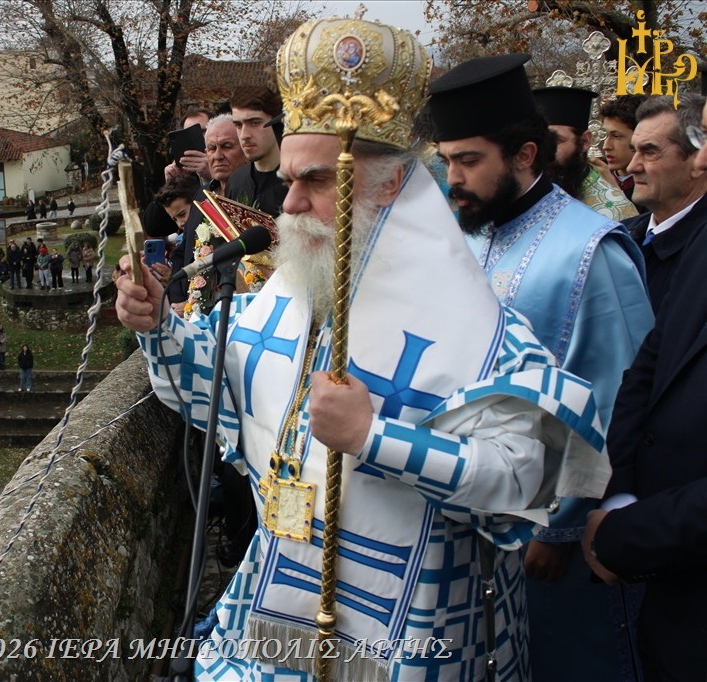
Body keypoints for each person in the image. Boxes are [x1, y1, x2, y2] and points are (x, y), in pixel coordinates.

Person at [117, 18, 609, 680]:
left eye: (315, 182)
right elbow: (226, 383)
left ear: (386, 186)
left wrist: (374, 438)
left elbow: (525, 477)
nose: (288, 205)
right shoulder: (298, 284)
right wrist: (160, 328)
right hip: (281, 603)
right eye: (288, 179)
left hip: (417, 635)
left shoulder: (475, 324)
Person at [429, 53, 655, 682]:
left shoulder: (591, 251)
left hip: (552, 537)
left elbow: (622, 402)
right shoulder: (465, 232)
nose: (453, 178)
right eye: (447, 159)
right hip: (470, 510)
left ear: (525, 155)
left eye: (469, 160)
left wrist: (559, 532)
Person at [582, 109, 707, 682]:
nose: (631, 166)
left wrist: (633, 532)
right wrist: (620, 494)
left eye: (652, 151)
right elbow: (644, 369)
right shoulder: (641, 242)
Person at [620, 94, 707, 313]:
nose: (632, 166)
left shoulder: (699, 254)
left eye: (649, 152)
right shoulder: (622, 236)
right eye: (634, 151)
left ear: (697, 159)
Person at [533, 86, 638, 220]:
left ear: (584, 141)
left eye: (556, 140)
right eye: (539, 140)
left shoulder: (616, 212)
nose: (544, 151)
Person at [225, 86, 287, 217]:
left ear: (276, 121)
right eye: (238, 125)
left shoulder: (297, 184)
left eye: (254, 123)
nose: (244, 135)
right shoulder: (236, 181)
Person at [599, 94, 647, 203]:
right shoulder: (596, 179)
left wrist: (613, 189)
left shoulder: (654, 187)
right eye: (604, 135)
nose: (606, 146)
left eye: (616, 136)